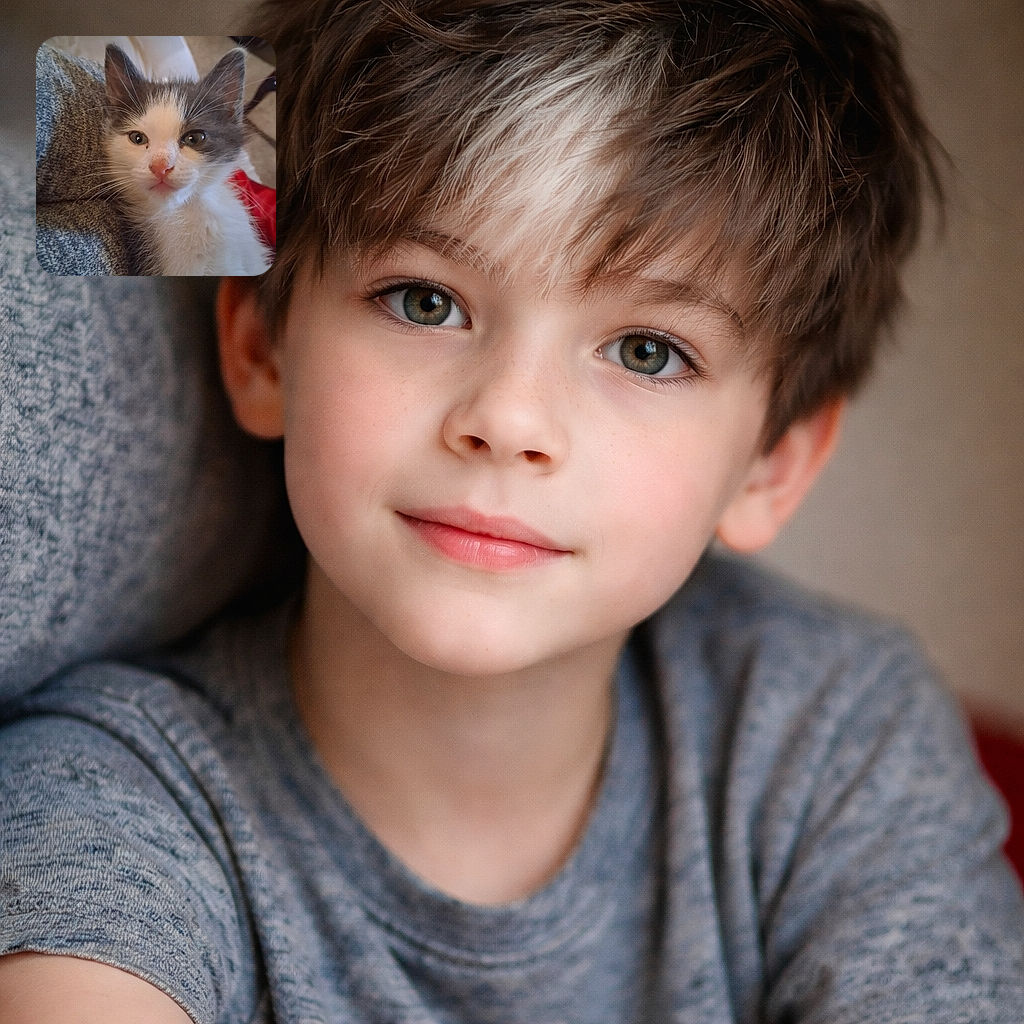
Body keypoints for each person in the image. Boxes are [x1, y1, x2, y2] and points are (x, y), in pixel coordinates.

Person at [1, 1, 1022, 1021]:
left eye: (646, 351)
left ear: (771, 464)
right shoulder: (107, 798)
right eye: (424, 300)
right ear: (262, 348)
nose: (507, 419)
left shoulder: (839, 734)